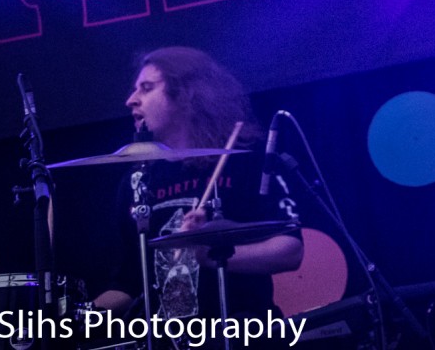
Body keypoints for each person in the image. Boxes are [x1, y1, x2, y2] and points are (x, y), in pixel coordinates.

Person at [92, 46, 303, 324]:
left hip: (243, 334)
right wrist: (74, 314)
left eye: (146, 88)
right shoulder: (137, 181)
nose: (131, 100)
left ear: (186, 94)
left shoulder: (243, 160)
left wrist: (213, 256)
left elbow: (290, 250)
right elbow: (127, 284)